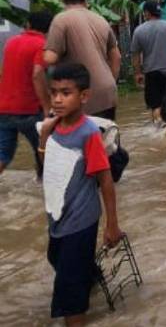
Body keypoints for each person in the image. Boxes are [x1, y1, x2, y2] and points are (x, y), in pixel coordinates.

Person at [38, 63, 122, 326]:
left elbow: (105, 180)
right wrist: (43, 138)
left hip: (81, 221)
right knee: (55, 257)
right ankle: (90, 279)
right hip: (59, 218)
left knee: (69, 298)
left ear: (84, 97)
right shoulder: (54, 128)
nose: (58, 99)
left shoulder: (88, 135)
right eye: (53, 93)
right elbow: (49, 169)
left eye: (66, 93)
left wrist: (112, 224)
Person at [43, 0, 121, 120]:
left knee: (77, 139)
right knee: (107, 138)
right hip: (107, 91)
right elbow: (117, 56)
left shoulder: (61, 19)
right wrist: (110, 82)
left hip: (80, 94)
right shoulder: (101, 19)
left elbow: (50, 58)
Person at [0, 11, 53, 176]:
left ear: (29, 25)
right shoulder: (41, 45)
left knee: (3, 154)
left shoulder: (11, 42)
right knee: (44, 150)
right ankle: (44, 188)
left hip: (3, 108)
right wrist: (47, 107)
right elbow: (37, 74)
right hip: (28, 110)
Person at [131, 1, 166, 126]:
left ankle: (159, 131)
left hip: (151, 74)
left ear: (147, 13)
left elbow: (135, 55)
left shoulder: (138, 31)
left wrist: (138, 73)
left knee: (156, 106)